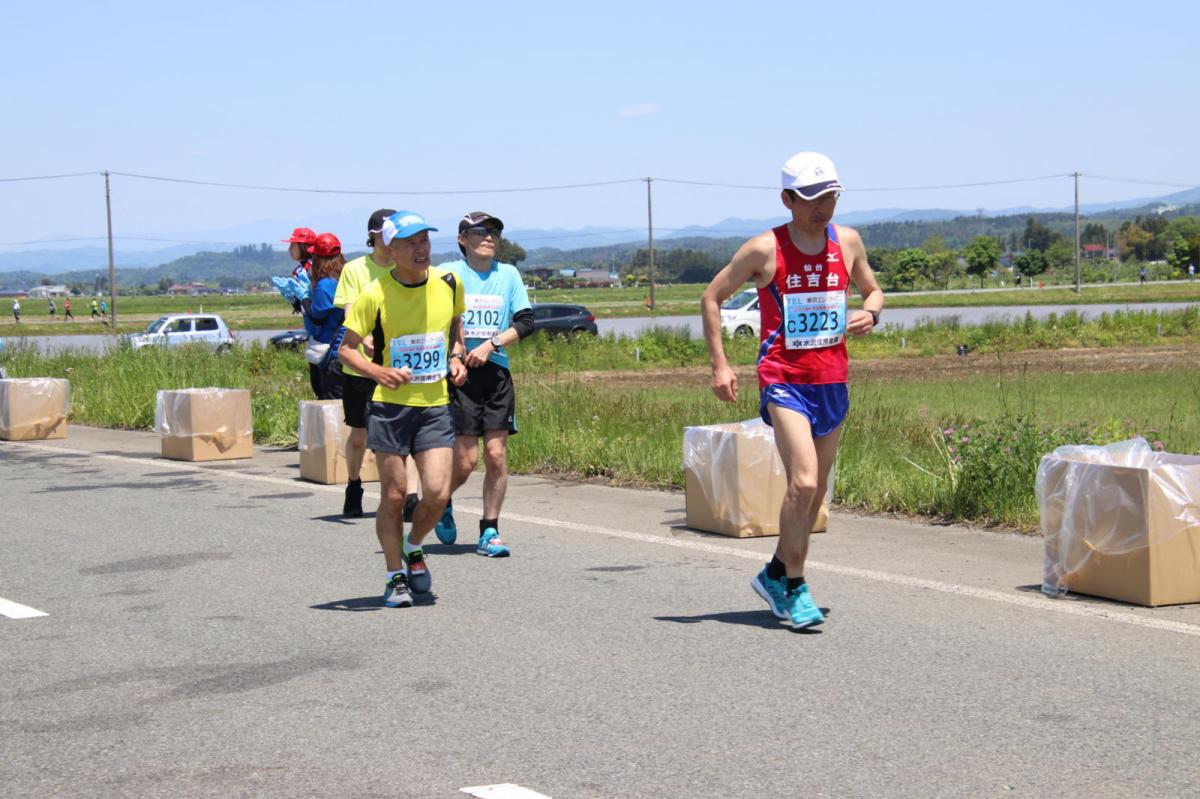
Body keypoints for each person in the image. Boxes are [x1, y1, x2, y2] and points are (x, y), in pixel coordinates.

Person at [701, 151, 884, 630]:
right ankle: (796, 588)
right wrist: (720, 365)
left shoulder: (847, 242)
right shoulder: (765, 249)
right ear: (787, 199)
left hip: (832, 380)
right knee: (802, 482)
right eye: (811, 199)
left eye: (830, 197)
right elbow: (712, 297)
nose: (822, 207)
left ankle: (775, 571)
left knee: (814, 493)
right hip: (783, 378)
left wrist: (872, 311)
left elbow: (874, 290)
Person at [337, 211, 467, 608]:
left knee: (438, 493)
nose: (421, 249)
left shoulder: (449, 281)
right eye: (410, 243)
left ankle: (414, 547)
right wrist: (377, 371)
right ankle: (395, 577)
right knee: (394, 496)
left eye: (425, 240)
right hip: (390, 409)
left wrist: (458, 355)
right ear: (390, 250)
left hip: (435, 405)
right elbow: (344, 348)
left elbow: (456, 327)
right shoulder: (375, 294)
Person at [438, 211, 535, 556]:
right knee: (465, 462)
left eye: (495, 232)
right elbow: (438, 318)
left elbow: (525, 322)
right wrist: (454, 355)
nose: (490, 237)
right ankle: (441, 500)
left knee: (496, 455)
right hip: (461, 375)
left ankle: (489, 530)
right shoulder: (447, 274)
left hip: (495, 373)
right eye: (481, 232)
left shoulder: (508, 274)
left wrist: (492, 344)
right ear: (463, 239)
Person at [334, 209, 421, 519]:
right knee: (359, 434)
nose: (387, 241)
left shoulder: (408, 269)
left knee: (405, 434)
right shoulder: (355, 270)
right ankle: (354, 484)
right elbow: (349, 315)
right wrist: (369, 342)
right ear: (372, 237)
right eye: (382, 235)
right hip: (361, 366)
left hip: (400, 365)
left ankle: (411, 497)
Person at [301, 233, 347, 400]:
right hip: (349, 349)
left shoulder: (325, 284)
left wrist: (303, 298)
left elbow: (317, 317)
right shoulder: (346, 277)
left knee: (332, 405)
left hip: (331, 353)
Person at [280, 227, 320, 397]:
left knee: (321, 380)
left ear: (303, 247)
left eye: (293, 245)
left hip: (319, 327)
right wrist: (295, 301)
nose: (289, 249)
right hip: (310, 326)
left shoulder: (313, 267)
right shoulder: (301, 269)